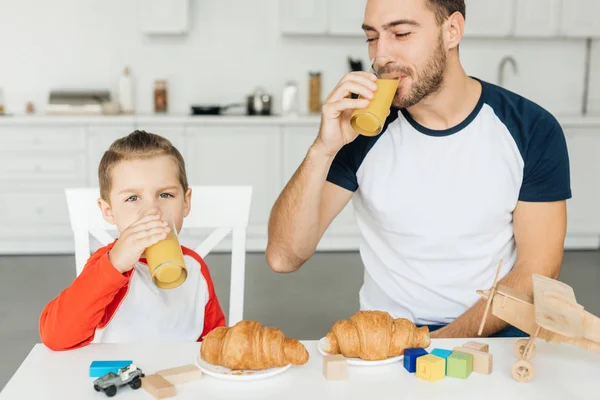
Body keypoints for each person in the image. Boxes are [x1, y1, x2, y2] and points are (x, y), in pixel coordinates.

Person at [266, 0, 571, 338]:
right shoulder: (363, 132)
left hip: (493, 333)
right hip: (389, 334)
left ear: (452, 30)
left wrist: (434, 345)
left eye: (401, 33)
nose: (380, 56)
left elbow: (537, 270)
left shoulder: (531, 128)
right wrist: (323, 149)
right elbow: (284, 257)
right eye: (372, 37)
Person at [39, 130, 225, 350]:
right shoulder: (106, 266)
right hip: (117, 379)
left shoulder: (195, 267)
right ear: (108, 211)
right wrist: (115, 263)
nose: (152, 211)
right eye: (133, 198)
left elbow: (214, 342)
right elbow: (56, 337)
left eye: (165, 195)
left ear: (185, 203)